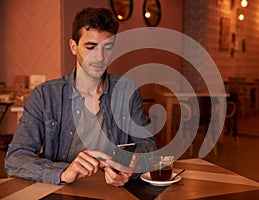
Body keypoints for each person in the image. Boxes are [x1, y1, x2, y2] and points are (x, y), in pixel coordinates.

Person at [5, 7, 156, 186]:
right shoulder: (44, 96)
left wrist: (133, 165)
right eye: (91, 47)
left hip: (115, 191)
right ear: (73, 47)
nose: (99, 57)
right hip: (62, 191)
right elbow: (15, 158)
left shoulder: (127, 92)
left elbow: (149, 148)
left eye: (107, 47)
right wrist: (62, 172)